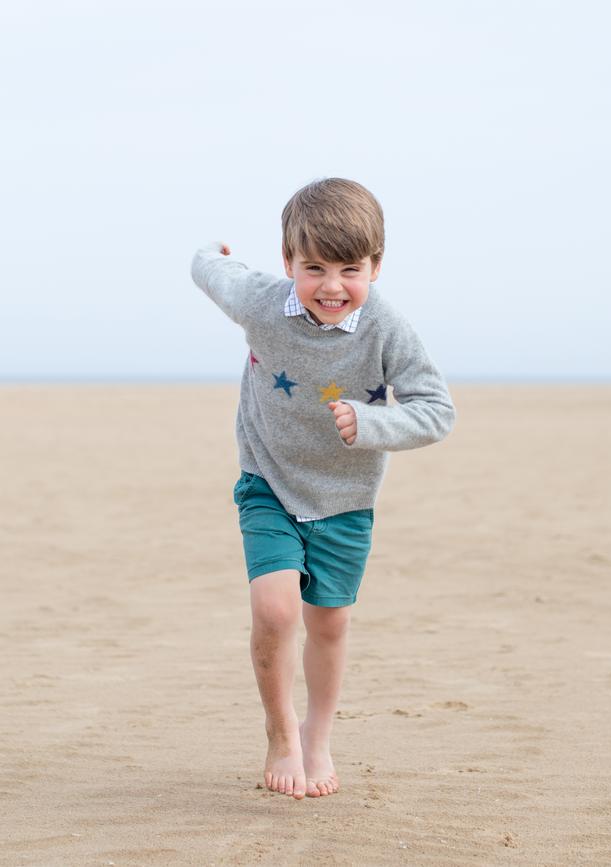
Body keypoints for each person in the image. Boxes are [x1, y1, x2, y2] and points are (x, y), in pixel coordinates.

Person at [190, 177, 456, 800]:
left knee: (329, 624)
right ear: (288, 263)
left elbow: (437, 410)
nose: (331, 286)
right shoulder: (261, 300)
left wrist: (373, 423)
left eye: (349, 270)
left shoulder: (386, 327)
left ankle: (318, 734)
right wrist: (213, 251)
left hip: (345, 498)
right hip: (269, 480)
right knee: (276, 610)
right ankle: (281, 735)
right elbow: (209, 270)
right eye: (313, 268)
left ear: (376, 267)